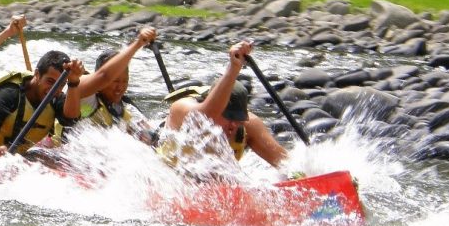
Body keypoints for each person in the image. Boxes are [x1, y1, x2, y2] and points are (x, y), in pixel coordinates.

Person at [161, 40, 288, 168]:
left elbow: (286, 165)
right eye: (228, 116)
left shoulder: (249, 125)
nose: (233, 125)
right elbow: (207, 115)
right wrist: (234, 67)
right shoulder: (183, 110)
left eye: (237, 118)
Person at [0, 50, 84, 155]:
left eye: (61, 84)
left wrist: (73, 82)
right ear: (37, 74)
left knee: (49, 159)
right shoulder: (10, 93)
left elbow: (71, 119)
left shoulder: (56, 98)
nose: (55, 90)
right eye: (50, 81)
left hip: (16, 158)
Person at [61, 27, 159, 143]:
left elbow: (150, 133)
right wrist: (138, 43)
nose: (120, 87)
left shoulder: (126, 107)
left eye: (124, 81)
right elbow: (104, 76)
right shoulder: (83, 93)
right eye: (115, 81)